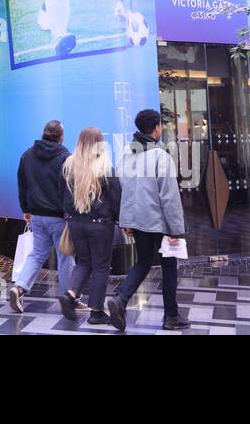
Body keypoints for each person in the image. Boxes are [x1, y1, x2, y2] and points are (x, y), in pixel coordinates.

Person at [107, 108, 189, 332]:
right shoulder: (161, 156)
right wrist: (175, 229)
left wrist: (127, 220)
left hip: (138, 220)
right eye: (160, 125)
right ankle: (171, 316)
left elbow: (124, 188)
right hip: (160, 222)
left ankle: (121, 299)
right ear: (155, 128)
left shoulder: (127, 152)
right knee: (169, 265)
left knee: (143, 262)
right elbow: (169, 196)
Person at [8, 120, 73, 315]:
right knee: (66, 257)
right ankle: (67, 297)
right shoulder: (65, 158)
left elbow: (22, 185)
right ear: (61, 137)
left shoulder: (27, 155)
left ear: (44, 134)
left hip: (36, 215)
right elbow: (68, 190)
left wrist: (26, 209)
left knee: (36, 254)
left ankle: (19, 287)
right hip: (59, 217)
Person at [61, 126, 122, 327]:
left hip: (75, 222)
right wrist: (120, 219)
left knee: (83, 262)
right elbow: (116, 198)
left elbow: (61, 195)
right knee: (101, 267)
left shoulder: (68, 166)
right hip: (100, 225)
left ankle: (70, 295)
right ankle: (96, 312)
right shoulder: (105, 167)